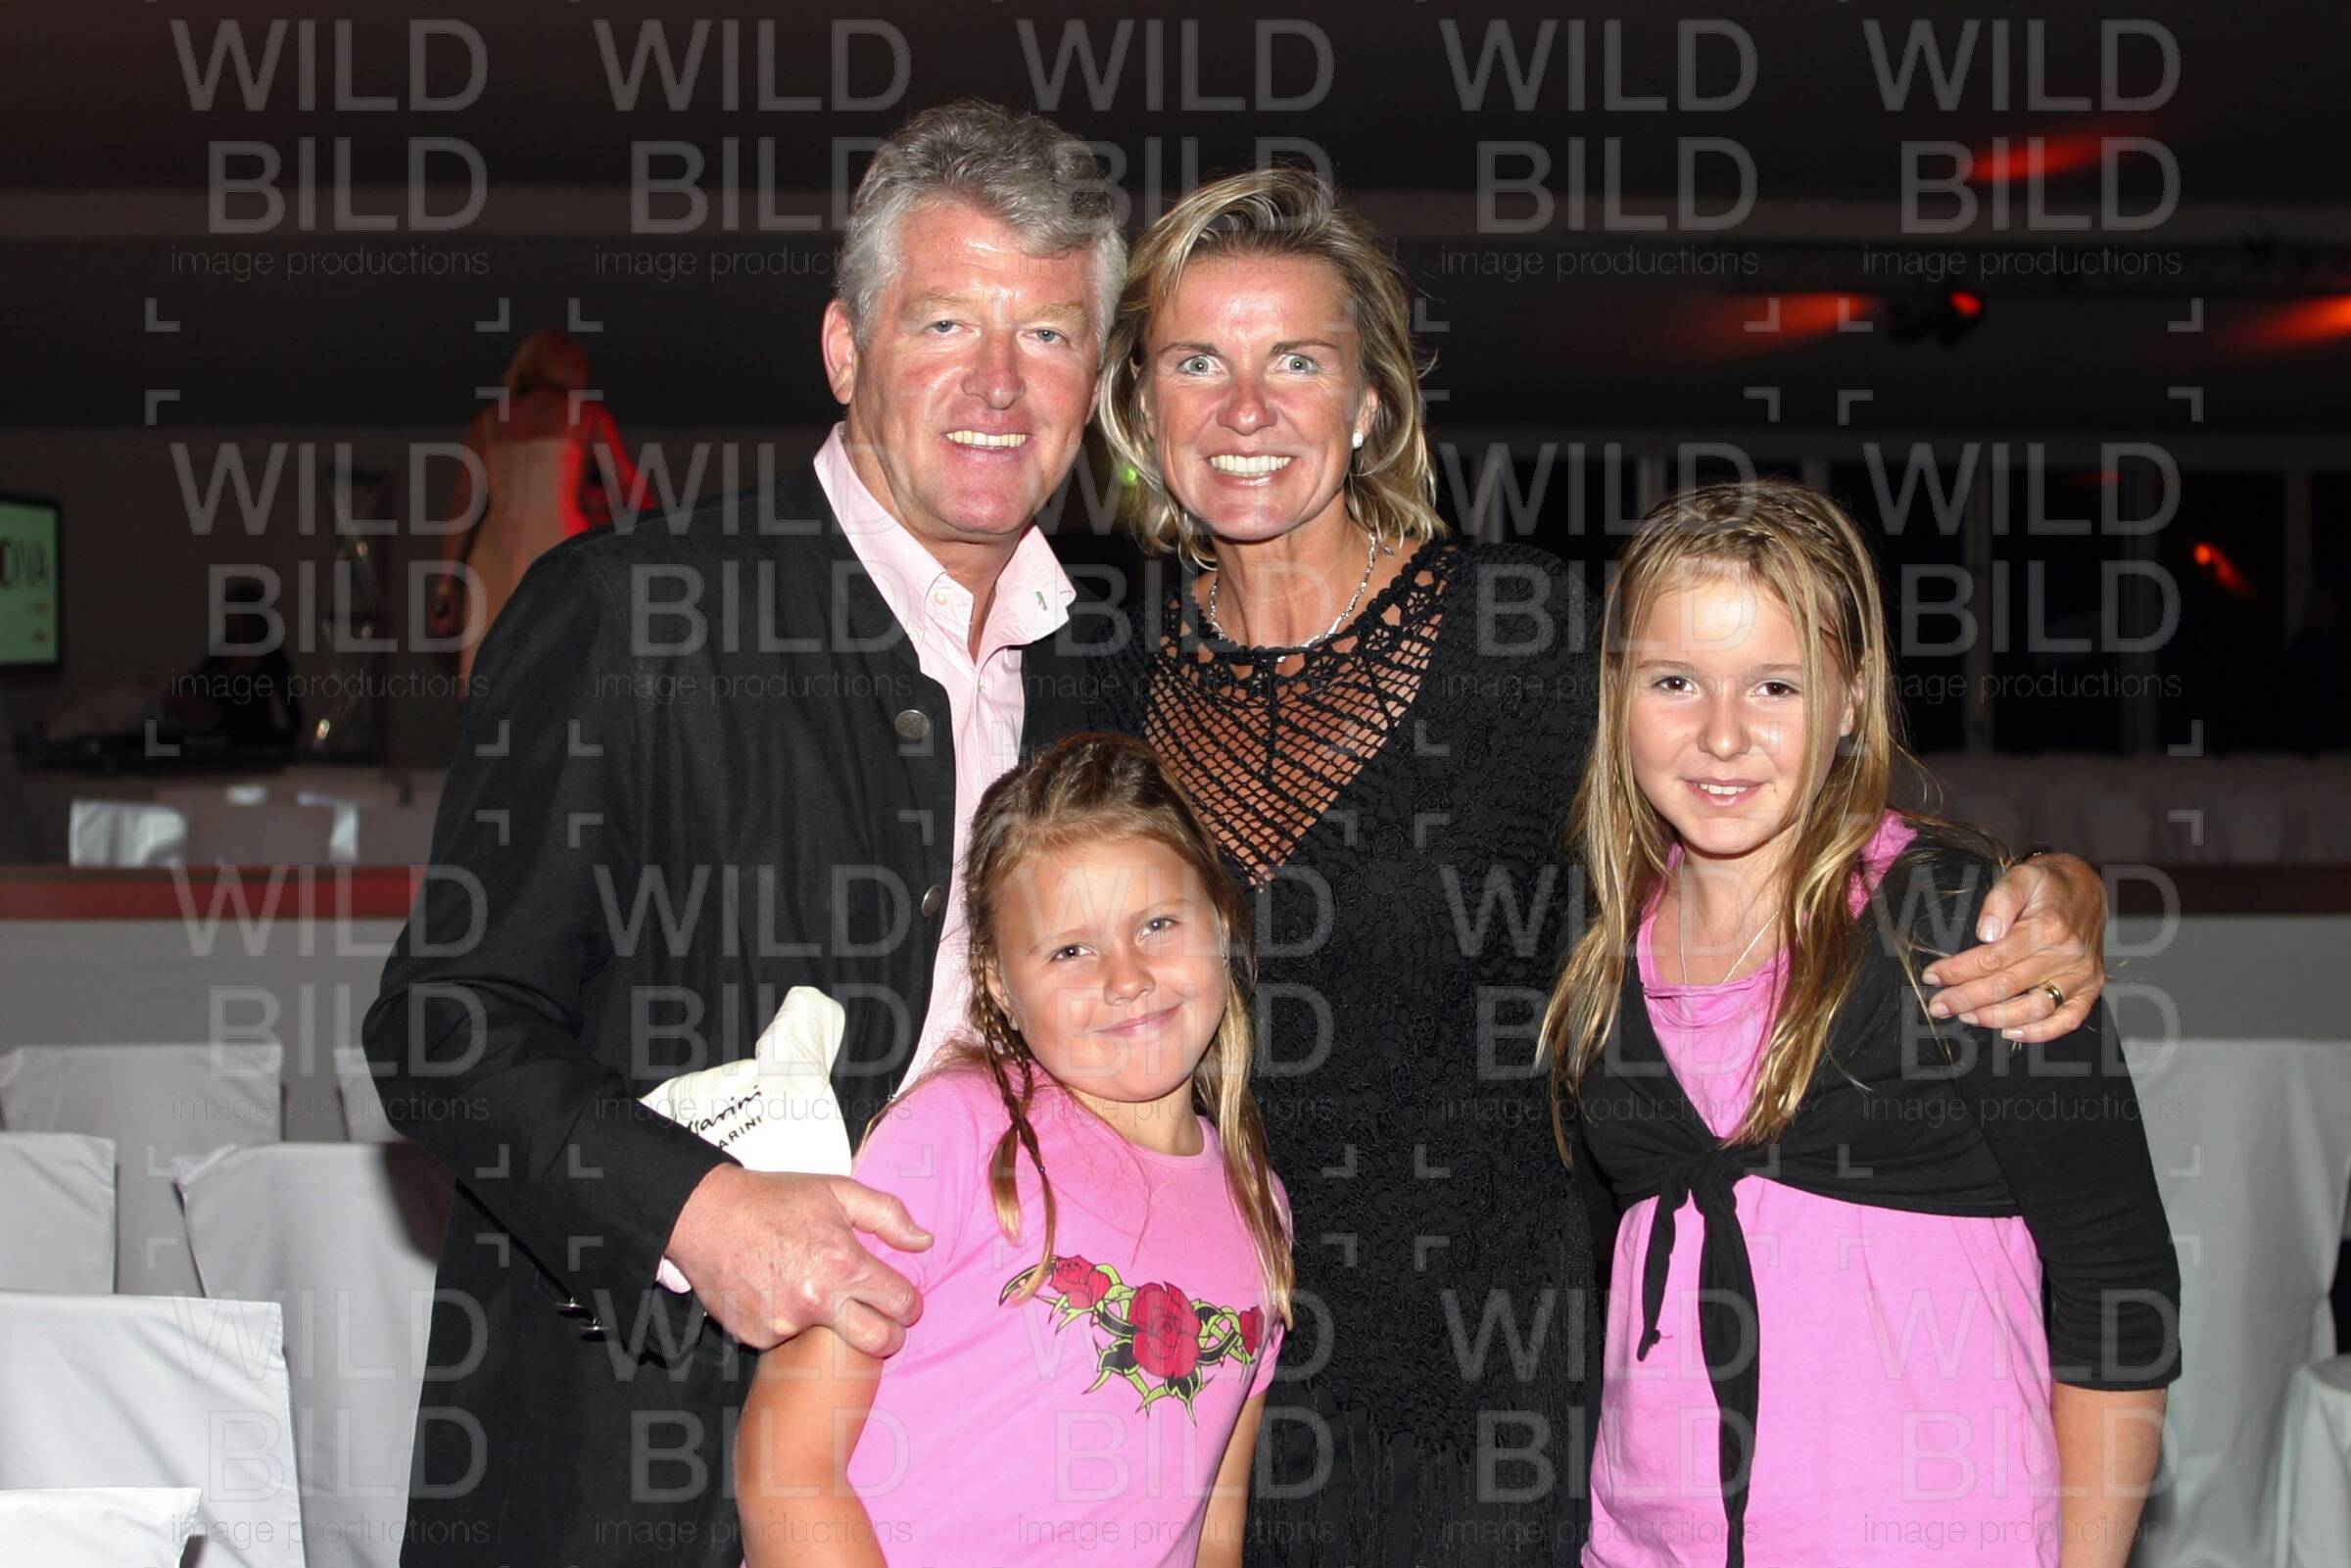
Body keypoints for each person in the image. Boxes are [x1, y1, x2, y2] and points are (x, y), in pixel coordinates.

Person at [1089, 167, 2119, 1564]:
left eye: (1299, 361)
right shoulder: (1094, 674)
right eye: (1198, 361)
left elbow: (1758, 783)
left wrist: (2045, 884)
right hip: (1185, 1353)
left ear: (1372, 401)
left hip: (1482, 1376)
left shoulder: (1522, 635)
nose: (1247, 408)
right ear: (1140, 401)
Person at [360, 103, 1126, 1567]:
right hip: (650, 1465)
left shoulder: (1100, 675)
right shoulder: (633, 614)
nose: (996, 383)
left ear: (1093, 376)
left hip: (979, 1451)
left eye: (1047, 335)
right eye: (945, 323)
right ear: (845, 347)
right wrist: (697, 1212)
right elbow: (444, 1026)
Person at [1551, 480, 2179, 1568]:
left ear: (1849, 700)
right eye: (1674, 680)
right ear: (1618, 694)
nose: (1721, 735)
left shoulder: (1959, 923)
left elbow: (2121, 1289)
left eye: (1776, 684)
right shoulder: (1594, 948)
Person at [737, 733, 1292, 1566]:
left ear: (1218, 917)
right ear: (998, 981)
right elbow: (787, 1468)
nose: (1127, 977)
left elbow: (1215, 1531)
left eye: (1157, 923)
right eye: (1071, 949)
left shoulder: (1261, 1205)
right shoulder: (951, 1136)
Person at [427, 329, 647, 685]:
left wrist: (444, 588)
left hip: (495, 554)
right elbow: (629, 490)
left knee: (495, 680)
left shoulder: (489, 421)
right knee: (562, 677)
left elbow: (462, 505)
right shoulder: (586, 415)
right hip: (559, 544)